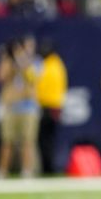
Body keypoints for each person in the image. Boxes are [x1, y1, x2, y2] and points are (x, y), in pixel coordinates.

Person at [0, 36, 40, 179]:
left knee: (28, 141)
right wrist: (10, 62)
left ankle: (27, 170)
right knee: (7, 141)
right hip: (11, 107)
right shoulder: (7, 62)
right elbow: (0, 77)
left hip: (28, 107)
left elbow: (34, 79)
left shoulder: (34, 62)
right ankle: (2, 170)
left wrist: (23, 63)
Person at [36, 38, 67, 175]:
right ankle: (47, 166)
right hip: (50, 105)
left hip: (50, 106)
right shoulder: (54, 64)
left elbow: (42, 85)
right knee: (46, 139)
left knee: (46, 139)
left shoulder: (52, 64)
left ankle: (48, 167)